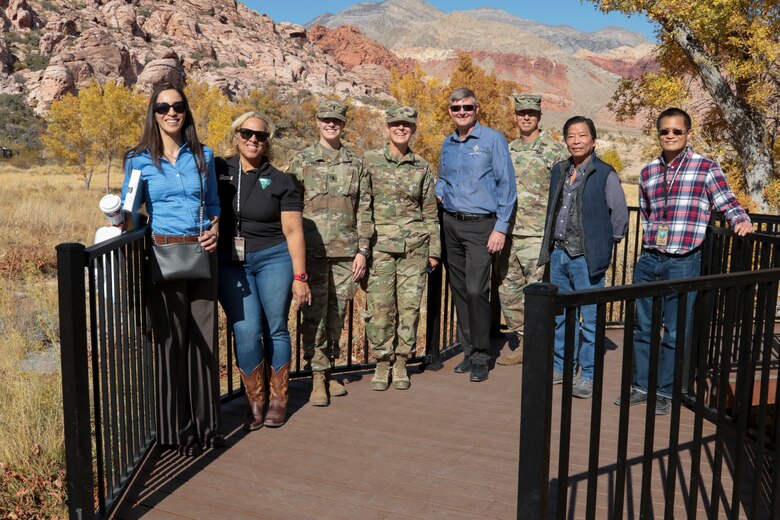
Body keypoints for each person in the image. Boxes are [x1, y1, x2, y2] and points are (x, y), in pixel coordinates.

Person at [616, 107, 753, 415]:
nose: (670, 136)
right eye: (665, 131)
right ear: (659, 134)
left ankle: (665, 391)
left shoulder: (705, 167)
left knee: (676, 331)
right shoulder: (649, 170)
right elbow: (648, 214)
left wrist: (740, 219)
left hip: (683, 260)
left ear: (688, 134)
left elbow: (726, 200)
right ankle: (640, 386)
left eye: (677, 131)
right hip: (650, 259)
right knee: (642, 328)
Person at [121, 83, 222, 456]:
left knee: (204, 343)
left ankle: (207, 426)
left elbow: (212, 202)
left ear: (186, 111)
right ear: (154, 113)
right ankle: (176, 431)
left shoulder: (203, 155)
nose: (171, 112)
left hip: (201, 255)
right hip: (162, 257)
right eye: (163, 107)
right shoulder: (138, 159)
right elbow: (131, 210)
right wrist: (120, 223)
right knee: (171, 344)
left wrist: (215, 227)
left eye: (178, 106)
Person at [216, 112, 310, 429]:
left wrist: (300, 277)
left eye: (260, 135)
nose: (253, 139)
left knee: (275, 327)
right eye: (247, 133)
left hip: (274, 258)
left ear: (268, 141)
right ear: (236, 135)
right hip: (231, 263)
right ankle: (255, 402)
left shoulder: (282, 181)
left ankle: (279, 399)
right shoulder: (218, 170)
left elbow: (294, 232)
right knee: (245, 329)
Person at [287, 99, 373, 406]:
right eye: (326, 119)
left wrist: (363, 250)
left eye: (336, 120)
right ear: (318, 122)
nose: (331, 124)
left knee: (337, 316)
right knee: (314, 316)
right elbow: (290, 210)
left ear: (343, 124)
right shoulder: (301, 161)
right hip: (312, 252)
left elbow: (365, 209)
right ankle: (318, 377)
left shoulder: (356, 164)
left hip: (346, 253)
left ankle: (329, 367)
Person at [538, 115, 628, 400]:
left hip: (586, 259)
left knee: (589, 321)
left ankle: (587, 376)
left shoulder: (605, 173)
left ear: (593, 140)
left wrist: (604, 244)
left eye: (582, 135)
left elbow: (620, 218)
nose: (576, 141)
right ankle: (560, 368)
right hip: (559, 255)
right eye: (571, 136)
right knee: (560, 317)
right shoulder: (559, 170)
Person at [435, 87, 517, 383]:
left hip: (482, 226)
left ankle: (482, 356)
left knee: (476, 290)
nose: (461, 113)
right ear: (450, 111)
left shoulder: (493, 140)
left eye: (467, 108)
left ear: (477, 109)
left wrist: (501, 228)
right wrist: (440, 191)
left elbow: (507, 185)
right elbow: (443, 178)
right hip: (451, 224)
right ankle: (468, 352)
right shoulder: (448, 143)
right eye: (456, 108)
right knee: (459, 290)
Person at [363, 106, 440, 391]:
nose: (400, 129)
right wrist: (362, 247)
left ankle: (401, 362)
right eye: (395, 124)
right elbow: (363, 206)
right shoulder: (369, 162)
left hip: (414, 249)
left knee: (409, 309)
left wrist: (434, 251)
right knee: (380, 309)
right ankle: (382, 362)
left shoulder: (421, 166)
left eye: (406, 125)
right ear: (387, 128)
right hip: (380, 247)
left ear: (413, 130)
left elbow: (430, 212)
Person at [496, 93, 567, 367]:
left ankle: (538, 346)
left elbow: (562, 194)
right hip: (508, 233)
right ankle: (525, 340)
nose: (526, 117)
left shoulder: (555, 150)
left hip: (537, 235)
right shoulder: (507, 149)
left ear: (539, 116)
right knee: (508, 292)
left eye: (531, 113)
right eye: (521, 112)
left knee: (534, 292)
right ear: (515, 115)